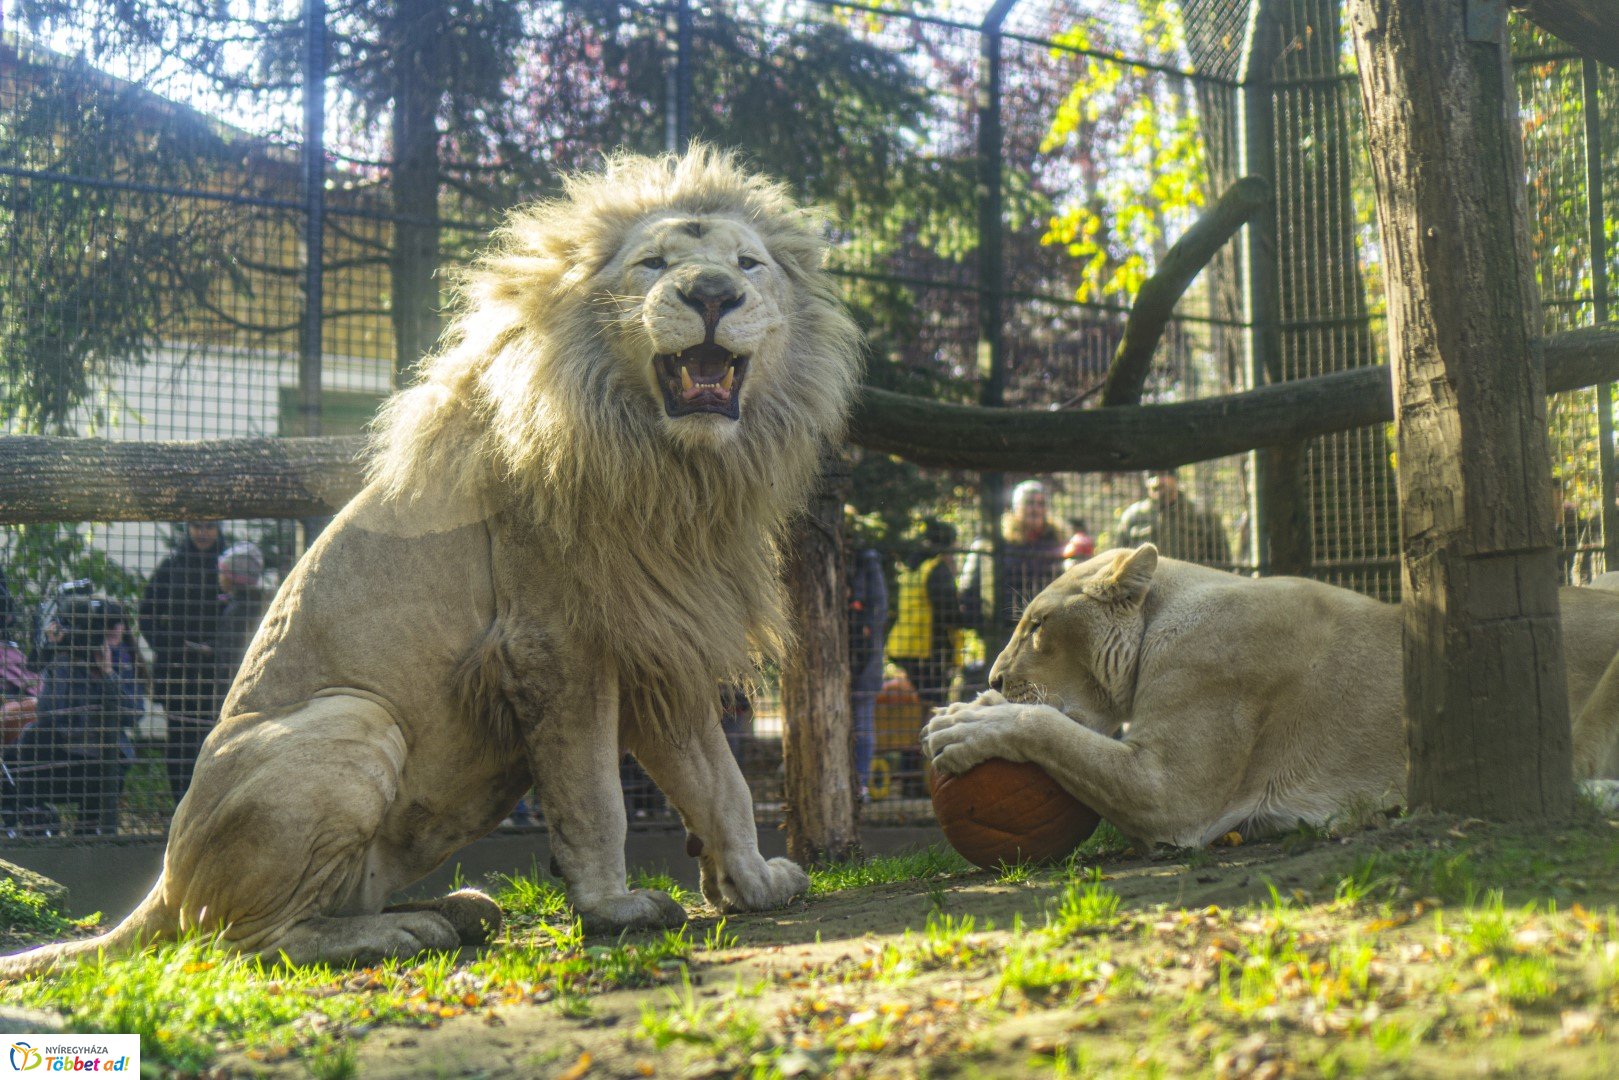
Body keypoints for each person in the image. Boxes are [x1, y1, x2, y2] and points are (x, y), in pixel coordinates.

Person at [2, 595, 141, 836]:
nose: (106, 637)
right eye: (101, 629)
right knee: (30, 738)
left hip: (101, 764)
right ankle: (35, 820)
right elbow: (50, 713)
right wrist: (61, 657)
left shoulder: (122, 660)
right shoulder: (65, 660)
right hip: (63, 757)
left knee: (90, 830)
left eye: (113, 628)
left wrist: (108, 674)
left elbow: (134, 714)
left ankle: (90, 836)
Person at [141, 520, 227, 803]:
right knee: (178, 740)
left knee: (213, 737)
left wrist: (216, 649)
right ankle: (180, 803)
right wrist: (171, 647)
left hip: (214, 674)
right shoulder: (172, 566)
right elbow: (145, 614)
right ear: (189, 529)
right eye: (198, 526)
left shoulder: (227, 567)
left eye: (210, 527)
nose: (203, 533)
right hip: (176, 671)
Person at [886, 519, 967, 793]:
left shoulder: (912, 566)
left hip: (907, 648)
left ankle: (911, 777)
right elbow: (948, 612)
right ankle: (923, 780)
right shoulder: (937, 569)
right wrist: (971, 616)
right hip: (929, 650)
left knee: (918, 713)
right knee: (932, 713)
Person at [1114, 469, 1231, 565]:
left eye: (1162, 475)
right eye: (1151, 476)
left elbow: (1223, 561)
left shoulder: (1203, 516)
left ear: (1175, 478)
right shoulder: (1133, 516)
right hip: (1146, 589)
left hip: (1192, 588)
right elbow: (1118, 561)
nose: (1156, 481)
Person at [846, 542, 889, 797]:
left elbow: (878, 610)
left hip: (864, 665)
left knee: (861, 725)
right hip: (847, 662)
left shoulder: (867, 564)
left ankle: (860, 782)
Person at [997, 480, 1066, 627]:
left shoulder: (1058, 541)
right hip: (1009, 625)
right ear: (1016, 508)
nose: (1035, 509)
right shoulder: (1003, 542)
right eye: (1029, 503)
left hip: (1049, 624)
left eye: (1041, 504)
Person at [213, 541, 269, 693]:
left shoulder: (236, 610)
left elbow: (230, 654)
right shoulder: (258, 604)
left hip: (234, 687)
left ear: (232, 577)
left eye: (222, 572)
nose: (219, 577)